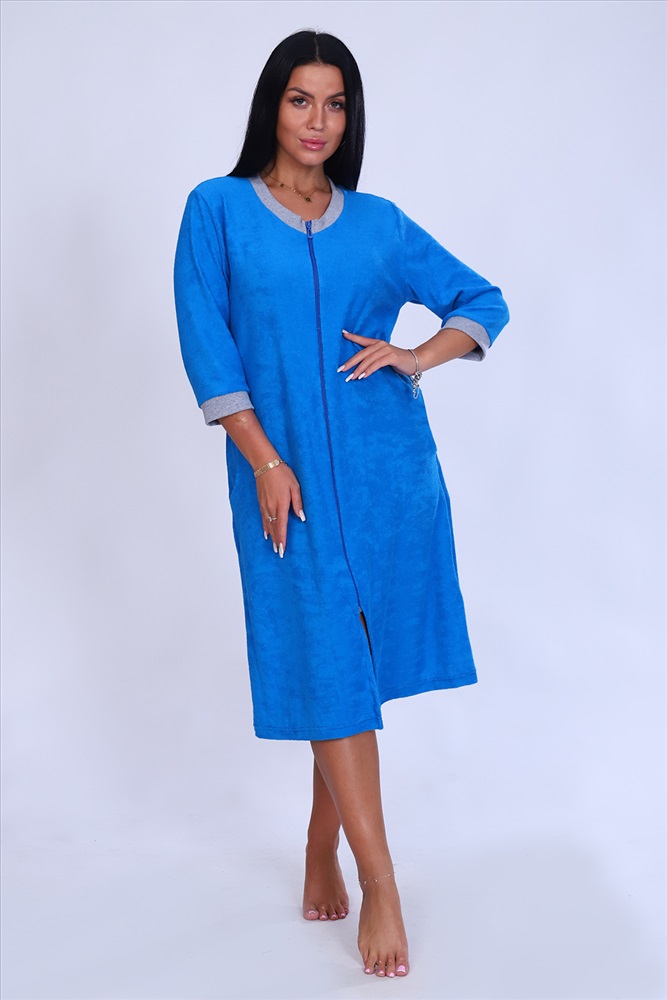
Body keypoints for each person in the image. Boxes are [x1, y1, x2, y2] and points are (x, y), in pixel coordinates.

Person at [174, 29, 509, 979]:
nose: (317, 121)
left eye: (334, 104)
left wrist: (417, 354)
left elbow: (481, 299)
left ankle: (322, 844)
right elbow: (207, 341)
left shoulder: (379, 224)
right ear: (271, 106)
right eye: (299, 100)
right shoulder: (217, 210)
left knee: (352, 667)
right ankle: (380, 880)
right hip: (285, 484)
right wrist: (263, 461)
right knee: (327, 657)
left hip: (387, 477)